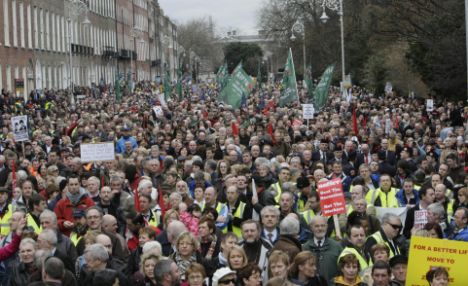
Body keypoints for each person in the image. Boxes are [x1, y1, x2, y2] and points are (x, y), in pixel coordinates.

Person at [303, 215, 343, 283]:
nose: (320, 228)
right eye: (317, 226)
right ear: (311, 228)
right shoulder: (305, 247)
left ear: (326, 226)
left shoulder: (337, 247)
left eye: (322, 225)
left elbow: (343, 269)